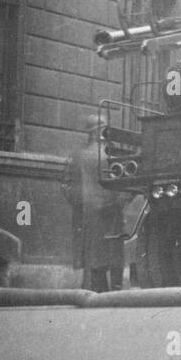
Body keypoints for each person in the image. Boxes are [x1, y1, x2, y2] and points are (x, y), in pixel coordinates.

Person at [61, 114, 126, 292]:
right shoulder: (113, 154)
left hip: (87, 214)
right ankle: (115, 293)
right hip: (111, 214)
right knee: (113, 255)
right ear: (101, 131)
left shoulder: (75, 155)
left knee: (92, 256)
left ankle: (96, 290)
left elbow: (65, 185)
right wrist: (118, 202)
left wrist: (80, 203)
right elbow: (127, 185)